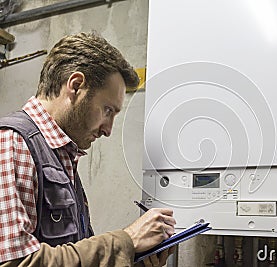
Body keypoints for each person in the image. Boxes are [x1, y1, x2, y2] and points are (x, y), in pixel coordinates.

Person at [0, 32, 176, 267]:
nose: (108, 129)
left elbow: (72, 253)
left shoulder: (59, 154)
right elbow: (17, 262)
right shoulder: (13, 143)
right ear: (76, 86)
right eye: (107, 110)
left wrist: (134, 257)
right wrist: (126, 241)